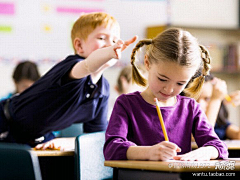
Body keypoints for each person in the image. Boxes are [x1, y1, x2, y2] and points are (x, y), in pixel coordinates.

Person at [0, 12, 137, 147]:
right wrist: (108, 52)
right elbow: (88, 65)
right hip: (5, 121)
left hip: (35, 138)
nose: (111, 45)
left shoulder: (103, 89)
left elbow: (96, 137)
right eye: (102, 38)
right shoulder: (72, 66)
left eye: (114, 41)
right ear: (79, 46)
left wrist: (68, 142)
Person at [104, 28, 228, 161]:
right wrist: (149, 152)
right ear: (147, 62)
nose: (169, 90)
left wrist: (206, 152)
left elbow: (218, 147)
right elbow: (112, 149)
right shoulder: (126, 104)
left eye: (180, 83)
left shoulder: (190, 107)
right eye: (162, 79)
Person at [197, 74, 240, 140]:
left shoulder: (220, 124)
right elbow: (201, 137)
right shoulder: (185, 122)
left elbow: (238, 135)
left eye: (207, 99)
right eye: (195, 98)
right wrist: (216, 99)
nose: (200, 104)